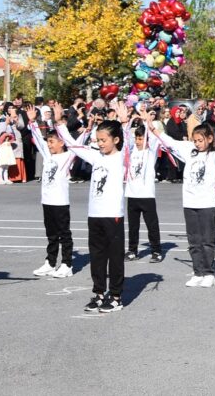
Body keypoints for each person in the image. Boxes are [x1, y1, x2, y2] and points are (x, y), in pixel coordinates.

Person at [144, 107, 215, 288]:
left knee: (207, 241)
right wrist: (153, 128)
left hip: (207, 203)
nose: (197, 143)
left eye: (200, 140)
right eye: (195, 140)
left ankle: (209, 273)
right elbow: (170, 142)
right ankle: (198, 272)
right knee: (194, 240)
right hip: (189, 202)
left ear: (210, 139)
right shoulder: (189, 150)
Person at [56, 118, 127, 313]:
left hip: (112, 215)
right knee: (97, 256)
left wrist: (125, 122)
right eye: (98, 140)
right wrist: (60, 124)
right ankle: (99, 293)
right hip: (94, 214)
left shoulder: (121, 157)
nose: (100, 143)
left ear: (116, 140)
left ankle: (116, 297)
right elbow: (72, 145)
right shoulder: (96, 157)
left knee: (115, 257)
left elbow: (128, 140)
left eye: (104, 140)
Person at [25, 106, 75, 278]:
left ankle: (67, 264)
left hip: (60, 202)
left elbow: (74, 143)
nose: (49, 145)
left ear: (61, 143)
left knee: (64, 234)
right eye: (49, 142)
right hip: (47, 201)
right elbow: (39, 139)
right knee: (51, 234)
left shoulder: (68, 156)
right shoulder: (48, 156)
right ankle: (50, 262)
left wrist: (60, 122)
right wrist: (32, 121)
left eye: (52, 142)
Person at [124, 120, 163, 263]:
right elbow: (124, 137)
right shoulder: (132, 151)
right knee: (133, 226)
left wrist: (147, 121)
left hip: (147, 196)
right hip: (132, 195)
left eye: (140, 139)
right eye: (136, 138)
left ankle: (156, 251)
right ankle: (132, 250)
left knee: (152, 225)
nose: (137, 141)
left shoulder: (150, 152)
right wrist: (127, 121)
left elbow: (154, 138)